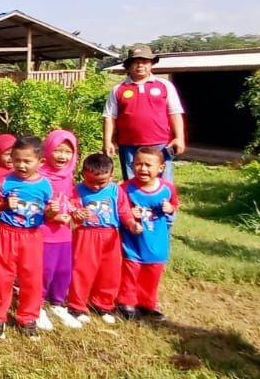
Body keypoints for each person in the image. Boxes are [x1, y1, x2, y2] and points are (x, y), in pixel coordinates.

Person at [0, 136, 58, 338]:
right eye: (17, 160)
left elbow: (49, 214)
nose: (21, 165)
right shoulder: (5, 181)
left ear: (41, 162)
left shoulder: (45, 185)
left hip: (32, 235)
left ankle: (28, 317)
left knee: (31, 277)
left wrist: (53, 210)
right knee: (2, 275)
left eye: (27, 161)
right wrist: (5, 204)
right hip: (6, 232)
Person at [103, 44, 186, 181]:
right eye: (135, 62)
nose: (140, 65)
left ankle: (164, 203)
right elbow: (109, 117)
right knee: (131, 181)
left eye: (145, 61)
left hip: (160, 143)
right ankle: (133, 203)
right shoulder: (119, 89)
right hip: (128, 145)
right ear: (128, 66)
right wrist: (108, 141)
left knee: (163, 181)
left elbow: (175, 113)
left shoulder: (164, 85)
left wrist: (179, 138)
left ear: (152, 64)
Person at [66, 153, 129, 325]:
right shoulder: (77, 190)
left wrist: (130, 222)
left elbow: (123, 210)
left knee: (110, 271)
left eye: (101, 182)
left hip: (110, 235)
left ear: (111, 176)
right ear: (83, 175)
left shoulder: (116, 190)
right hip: (85, 234)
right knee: (82, 269)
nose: (94, 187)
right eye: (90, 181)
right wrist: (77, 213)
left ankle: (103, 304)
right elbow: (71, 208)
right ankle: (77, 305)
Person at [117, 147, 179, 322]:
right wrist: (130, 214)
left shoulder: (167, 188)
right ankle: (126, 302)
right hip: (133, 240)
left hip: (157, 240)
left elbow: (174, 203)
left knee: (152, 272)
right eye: (138, 164)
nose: (143, 169)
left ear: (161, 168)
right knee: (131, 270)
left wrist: (170, 208)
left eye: (148, 165)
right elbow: (120, 210)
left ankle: (146, 304)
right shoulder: (126, 188)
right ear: (132, 165)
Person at [39, 130, 81, 331]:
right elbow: (35, 204)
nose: (62, 156)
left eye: (67, 152)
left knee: (63, 270)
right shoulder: (40, 176)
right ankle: (36, 305)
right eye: (57, 150)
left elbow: (69, 199)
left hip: (64, 232)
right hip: (44, 232)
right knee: (44, 270)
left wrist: (75, 211)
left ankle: (57, 303)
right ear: (47, 150)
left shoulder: (68, 174)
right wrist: (52, 215)